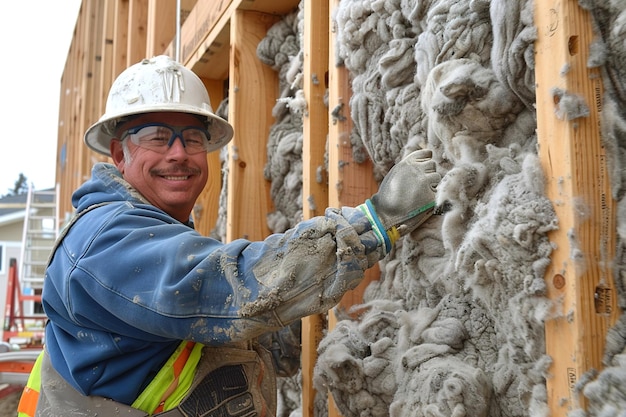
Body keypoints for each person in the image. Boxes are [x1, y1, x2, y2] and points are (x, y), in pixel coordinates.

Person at [17, 55, 441, 417]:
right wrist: (376, 220)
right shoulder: (105, 241)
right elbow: (231, 288)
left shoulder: (152, 234)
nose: (179, 153)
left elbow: (203, 339)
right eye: (157, 138)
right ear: (119, 154)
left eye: (194, 139)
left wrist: (293, 329)